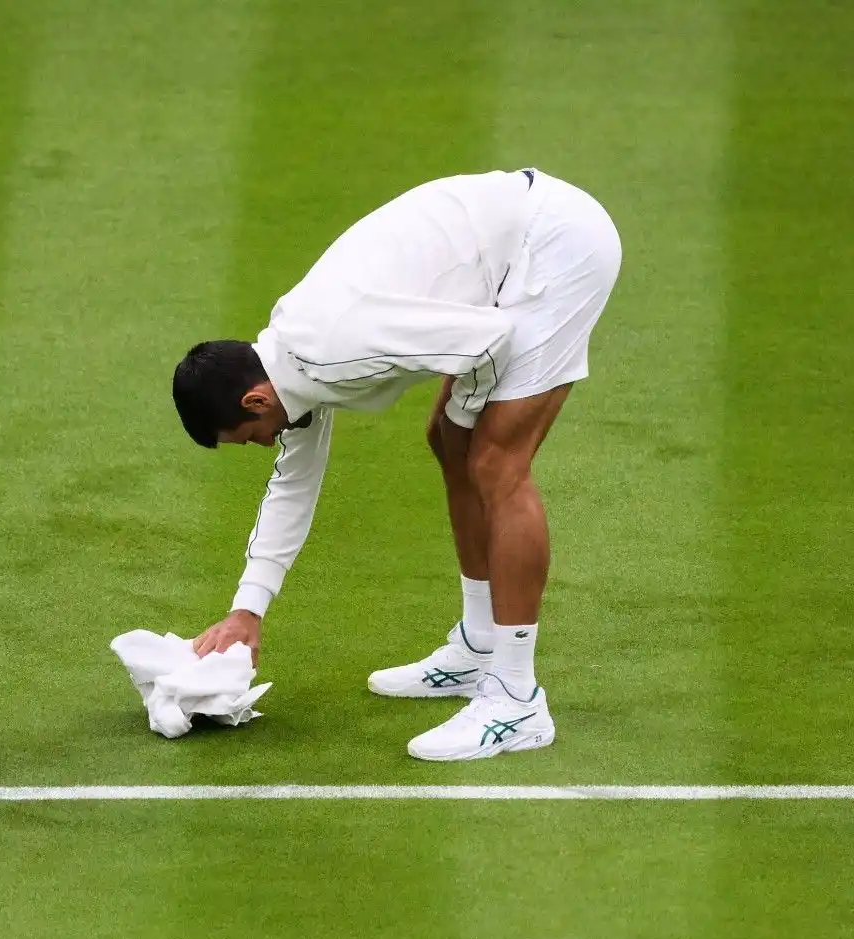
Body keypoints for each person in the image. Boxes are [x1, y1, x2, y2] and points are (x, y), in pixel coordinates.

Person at [170, 168, 621, 761]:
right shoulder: (294, 359)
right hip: (505, 251)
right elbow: (293, 487)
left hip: (555, 247)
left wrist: (466, 415)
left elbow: (490, 340)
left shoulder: (327, 353)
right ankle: (480, 646)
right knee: (453, 442)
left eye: (248, 436)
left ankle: (516, 701)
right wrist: (246, 612)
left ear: (256, 400)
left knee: (493, 462)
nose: (260, 445)